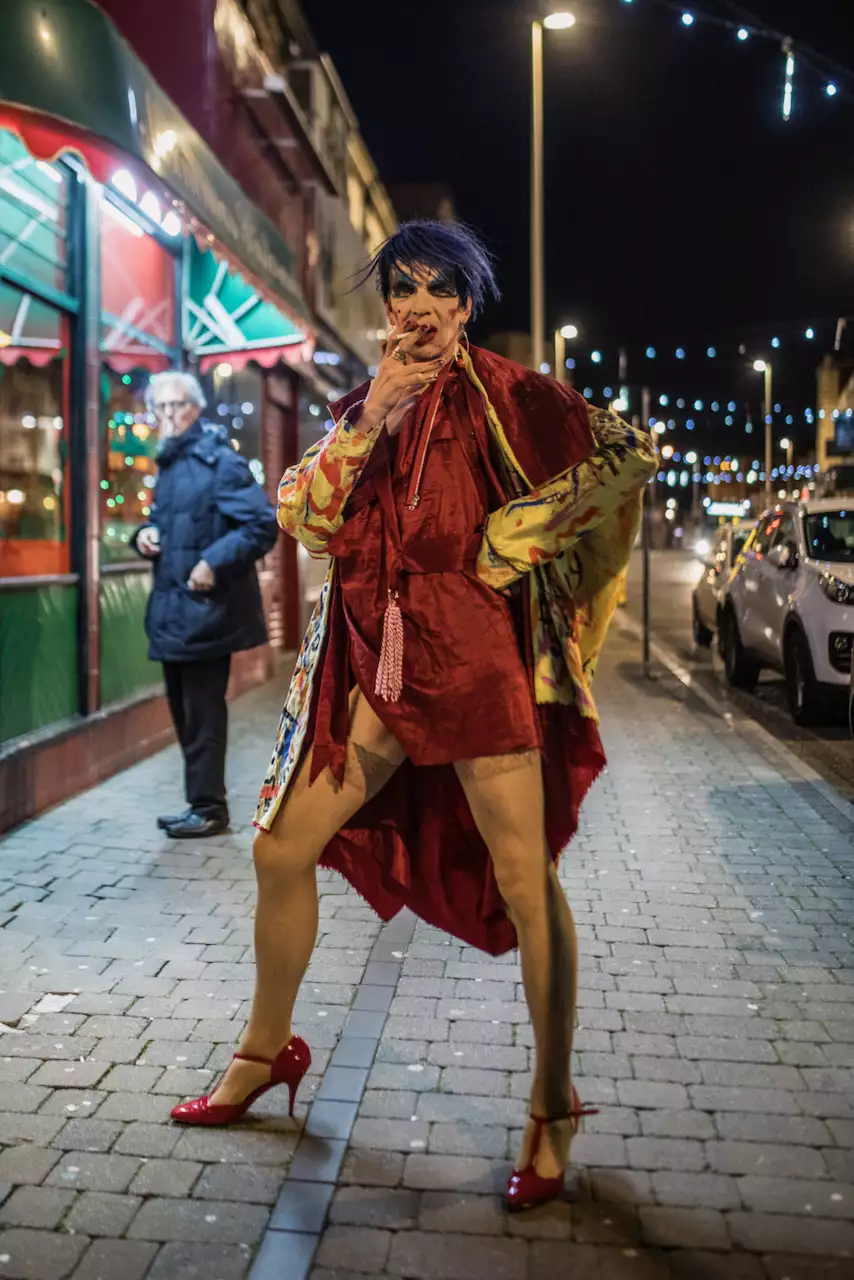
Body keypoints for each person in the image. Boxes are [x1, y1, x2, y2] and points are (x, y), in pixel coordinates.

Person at [171, 222, 656, 1211]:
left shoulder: (515, 396)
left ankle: (550, 1101)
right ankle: (266, 1051)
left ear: (467, 304)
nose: (422, 304)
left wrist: (522, 531)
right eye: (404, 288)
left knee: (526, 882)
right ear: (386, 304)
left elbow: (625, 454)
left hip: (479, 667)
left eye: (442, 288)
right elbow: (302, 517)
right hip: (374, 671)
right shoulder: (365, 401)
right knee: (276, 848)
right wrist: (372, 415)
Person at [133, 371, 278, 839]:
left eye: (178, 406)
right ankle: (201, 803)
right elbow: (163, 522)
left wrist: (213, 561)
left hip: (206, 610)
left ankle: (210, 809)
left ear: (196, 407)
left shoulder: (219, 461)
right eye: (162, 407)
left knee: (203, 712)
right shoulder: (171, 462)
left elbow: (260, 525)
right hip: (176, 609)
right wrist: (145, 536)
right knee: (184, 711)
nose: (169, 415)